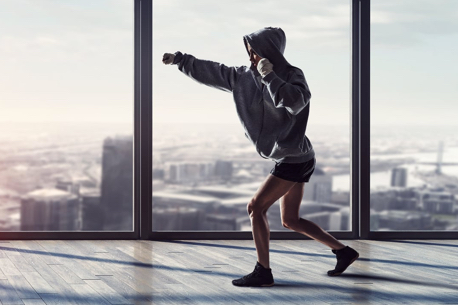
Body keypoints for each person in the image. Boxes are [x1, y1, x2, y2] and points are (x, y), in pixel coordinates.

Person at [162, 27, 359, 287]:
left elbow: (295, 102)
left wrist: (269, 76)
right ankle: (344, 252)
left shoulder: (292, 74)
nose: (251, 54)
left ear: (270, 51)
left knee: (255, 208)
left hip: (294, 158)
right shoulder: (241, 77)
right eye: (249, 49)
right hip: (292, 156)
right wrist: (180, 59)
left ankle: (263, 272)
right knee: (290, 220)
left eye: (255, 49)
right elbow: (211, 70)